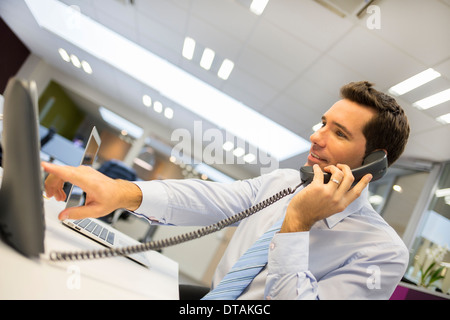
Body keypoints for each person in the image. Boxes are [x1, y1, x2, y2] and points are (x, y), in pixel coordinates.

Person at [42, 81, 410, 300]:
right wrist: (121, 192)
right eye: (323, 123)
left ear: (373, 163)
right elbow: (211, 200)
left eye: (339, 133)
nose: (316, 136)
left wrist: (297, 224)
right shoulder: (284, 182)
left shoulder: (382, 253)